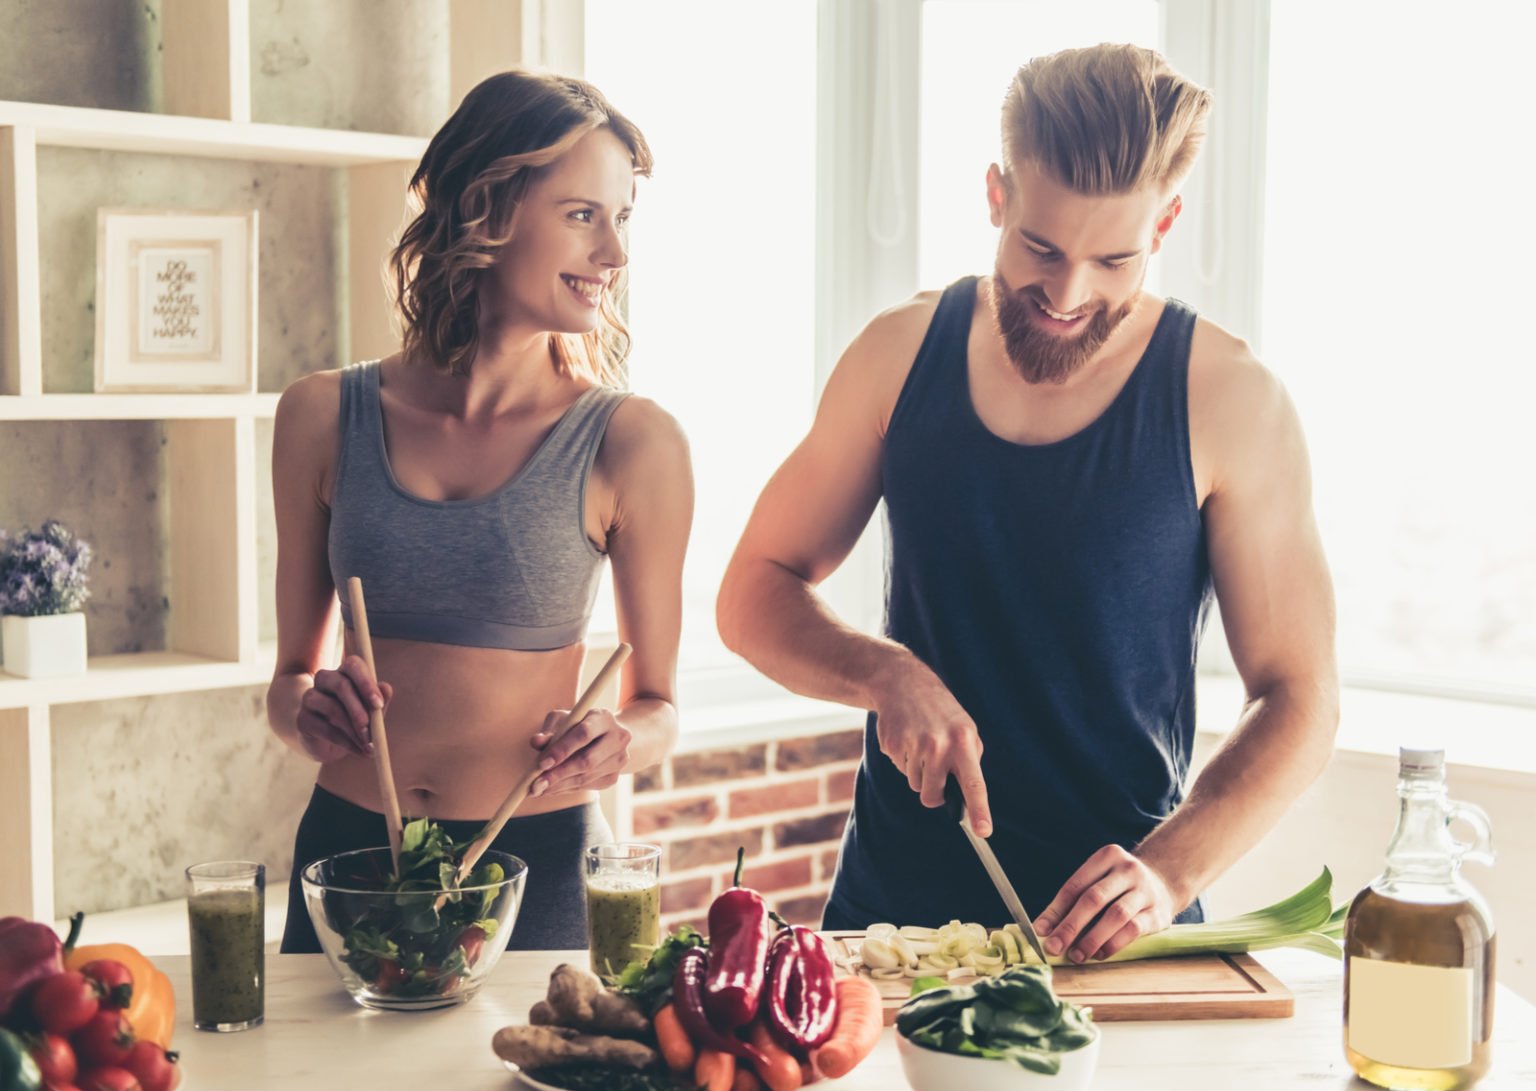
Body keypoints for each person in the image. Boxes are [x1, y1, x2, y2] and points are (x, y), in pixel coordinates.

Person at [717, 44, 1338, 964]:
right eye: (1040, 249)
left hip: (1111, 941)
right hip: (889, 928)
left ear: (1163, 225)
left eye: (1113, 260)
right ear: (996, 196)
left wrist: (1169, 873)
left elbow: (1301, 698)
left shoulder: (1231, 398)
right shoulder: (896, 355)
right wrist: (882, 672)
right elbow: (752, 592)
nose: (1067, 294)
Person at [267, 70, 693, 953]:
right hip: (349, 858)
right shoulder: (319, 416)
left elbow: (657, 704)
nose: (614, 254)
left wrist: (619, 742)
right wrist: (308, 709)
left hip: (534, 864)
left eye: (622, 219)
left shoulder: (633, 443)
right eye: (584, 215)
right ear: (485, 209)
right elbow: (288, 686)